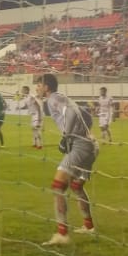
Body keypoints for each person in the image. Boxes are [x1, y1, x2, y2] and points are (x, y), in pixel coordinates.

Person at [38, 74, 98, 245]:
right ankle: (89, 226)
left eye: (38, 85)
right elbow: (86, 116)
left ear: (46, 87)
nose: (37, 88)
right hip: (91, 144)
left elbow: (71, 113)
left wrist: (67, 135)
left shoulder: (52, 99)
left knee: (58, 186)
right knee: (76, 186)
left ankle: (62, 234)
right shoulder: (64, 97)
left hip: (80, 145)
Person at [16, 84, 44, 150]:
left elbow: (38, 101)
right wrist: (19, 108)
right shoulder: (26, 98)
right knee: (33, 129)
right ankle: (34, 143)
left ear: (26, 90)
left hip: (37, 114)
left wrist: (40, 115)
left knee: (36, 129)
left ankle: (40, 145)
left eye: (23, 90)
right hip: (32, 115)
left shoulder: (31, 96)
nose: (22, 91)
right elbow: (26, 106)